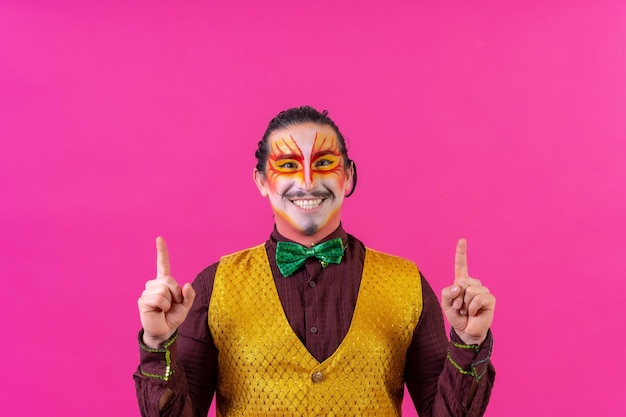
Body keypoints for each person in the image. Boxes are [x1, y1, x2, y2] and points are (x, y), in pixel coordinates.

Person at [134, 106, 496, 417]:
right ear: (261, 181)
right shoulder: (215, 285)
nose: (307, 182)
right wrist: (157, 341)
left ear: (348, 175)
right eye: (288, 165)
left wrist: (467, 341)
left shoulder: (406, 283)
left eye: (324, 163)